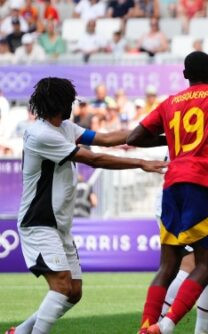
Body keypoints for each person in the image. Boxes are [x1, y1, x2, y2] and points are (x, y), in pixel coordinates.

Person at [5, 77, 166, 334]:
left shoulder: (66, 127)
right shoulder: (41, 134)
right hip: (39, 222)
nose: (74, 105)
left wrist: (162, 136)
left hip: (59, 224)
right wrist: (140, 163)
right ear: (61, 103)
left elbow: (107, 138)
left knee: (73, 292)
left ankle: (20, 331)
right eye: (70, 100)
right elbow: (94, 159)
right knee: (61, 288)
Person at [128, 51, 208, 334]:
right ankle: (166, 326)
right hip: (200, 182)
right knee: (206, 265)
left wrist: (172, 137)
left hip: (171, 183)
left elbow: (133, 138)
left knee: (167, 266)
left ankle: (146, 326)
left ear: (185, 75)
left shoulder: (169, 102)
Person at [155, 66, 208, 334]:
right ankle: (159, 324)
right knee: (202, 266)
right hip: (188, 195)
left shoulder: (187, 109)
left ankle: (164, 323)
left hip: (185, 193)